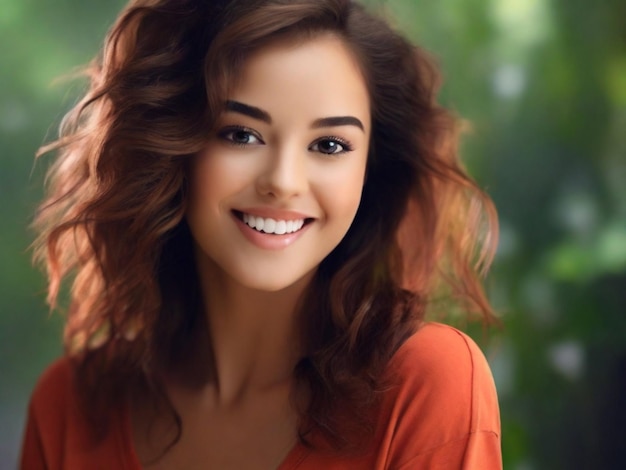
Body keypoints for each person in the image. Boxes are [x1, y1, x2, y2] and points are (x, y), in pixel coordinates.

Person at [20, 0, 502, 468]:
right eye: (241, 134)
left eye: (330, 144)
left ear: (370, 170)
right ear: (172, 146)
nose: (283, 181)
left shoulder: (425, 384)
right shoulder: (70, 407)